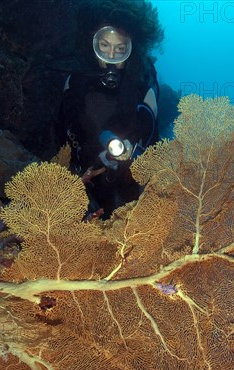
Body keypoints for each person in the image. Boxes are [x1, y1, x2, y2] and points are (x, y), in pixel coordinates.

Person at [57, 0, 164, 219]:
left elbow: (149, 119)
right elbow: (64, 129)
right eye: (104, 46)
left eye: (120, 48)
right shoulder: (76, 80)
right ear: (92, 43)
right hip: (87, 173)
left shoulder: (143, 80)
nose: (111, 56)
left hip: (130, 172)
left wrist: (130, 144)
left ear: (132, 48)